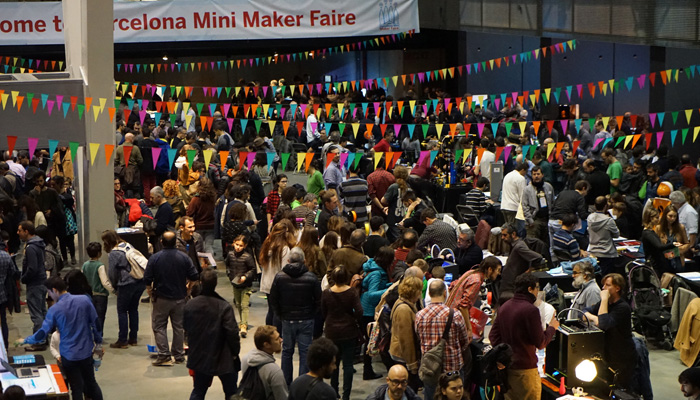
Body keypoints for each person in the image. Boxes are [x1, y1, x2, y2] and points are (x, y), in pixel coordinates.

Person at [17, 276, 104, 400]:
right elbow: (96, 323)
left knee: (76, 388)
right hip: (86, 352)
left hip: (69, 355)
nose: (50, 296)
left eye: (49, 293)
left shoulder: (54, 309)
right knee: (91, 383)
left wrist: (26, 340)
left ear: (54, 290)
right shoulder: (84, 300)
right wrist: (99, 343)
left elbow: (43, 332)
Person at [489, 273, 558, 400]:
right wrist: (552, 328)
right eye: (537, 288)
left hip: (508, 370)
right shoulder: (531, 310)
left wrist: (504, 356)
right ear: (530, 289)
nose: (538, 292)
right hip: (525, 372)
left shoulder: (505, 306)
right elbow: (541, 343)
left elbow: (493, 336)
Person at [183, 269, 240, 400]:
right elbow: (232, 332)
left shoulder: (190, 305)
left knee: (198, 391)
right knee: (231, 392)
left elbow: (186, 327)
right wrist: (235, 353)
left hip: (200, 355)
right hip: (223, 356)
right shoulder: (224, 306)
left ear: (201, 283)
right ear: (216, 283)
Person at [144, 231, 200, 366]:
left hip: (161, 298)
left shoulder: (155, 258)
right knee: (178, 327)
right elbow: (194, 276)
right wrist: (189, 288)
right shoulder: (184, 257)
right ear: (175, 242)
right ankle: (179, 355)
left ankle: (164, 355)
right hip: (180, 297)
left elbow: (147, 279)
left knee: (159, 326)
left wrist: (150, 291)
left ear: (161, 242)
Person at [268, 247, 322, 385]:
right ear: (304, 261)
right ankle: (302, 385)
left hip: (287, 319)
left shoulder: (280, 277)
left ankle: (286, 383)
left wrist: (280, 314)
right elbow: (318, 300)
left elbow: (273, 299)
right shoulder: (311, 278)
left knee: (287, 352)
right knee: (305, 352)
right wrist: (311, 314)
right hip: (306, 319)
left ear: (288, 260)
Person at [415, 280, 470, 400]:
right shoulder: (455, 314)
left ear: (429, 293)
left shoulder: (419, 315)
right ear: (445, 293)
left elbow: (418, 338)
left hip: (430, 369)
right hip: (453, 368)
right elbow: (464, 341)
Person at [584, 273, 637, 390]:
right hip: (608, 354)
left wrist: (603, 300)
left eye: (607, 285)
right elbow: (583, 313)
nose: (603, 289)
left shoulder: (622, 308)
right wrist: (594, 317)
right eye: (603, 285)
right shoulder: (607, 304)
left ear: (617, 288)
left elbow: (603, 324)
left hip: (622, 357)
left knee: (620, 389)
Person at [321, 266, 363, 400]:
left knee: (334, 363)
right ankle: (346, 395)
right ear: (346, 278)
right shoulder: (351, 292)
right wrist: (352, 318)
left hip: (332, 332)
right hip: (349, 331)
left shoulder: (326, 293)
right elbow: (359, 311)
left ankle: (334, 391)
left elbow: (323, 312)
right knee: (348, 365)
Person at [103, 230, 146, 349]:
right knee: (133, 309)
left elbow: (112, 273)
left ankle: (122, 340)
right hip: (140, 281)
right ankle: (133, 338)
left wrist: (115, 286)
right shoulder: (127, 245)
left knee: (122, 311)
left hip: (126, 284)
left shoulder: (114, 253)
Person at [361, 246, 393, 380]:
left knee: (369, 341)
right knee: (371, 342)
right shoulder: (376, 274)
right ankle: (368, 371)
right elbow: (372, 295)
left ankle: (367, 370)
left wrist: (390, 285)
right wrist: (389, 290)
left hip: (367, 309)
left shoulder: (374, 269)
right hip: (369, 311)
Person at [446, 256, 502, 330]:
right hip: (454, 320)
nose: (498, 273)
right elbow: (463, 307)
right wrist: (469, 328)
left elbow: (452, 285)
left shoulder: (471, 272)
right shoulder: (476, 281)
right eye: (498, 270)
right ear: (490, 269)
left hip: (448, 313)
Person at [389, 276, 423, 391]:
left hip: (401, 354)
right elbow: (406, 340)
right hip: (403, 356)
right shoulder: (404, 309)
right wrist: (412, 364)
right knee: (408, 390)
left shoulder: (402, 302)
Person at [259, 221, 296, 331]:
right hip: (278, 285)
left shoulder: (267, 244)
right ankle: (275, 335)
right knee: (277, 313)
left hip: (267, 283)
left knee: (271, 311)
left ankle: (268, 334)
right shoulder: (284, 249)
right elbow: (285, 270)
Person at [18, 221, 47, 351]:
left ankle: (39, 342)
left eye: (20, 230)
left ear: (26, 231)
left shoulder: (31, 248)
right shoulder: (39, 244)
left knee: (36, 315)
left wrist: (23, 278)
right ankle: (44, 337)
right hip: (41, 282)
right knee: (42, 311)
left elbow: (32, 268)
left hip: (34, 284)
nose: (18, 233)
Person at [498, 223, 544, 300]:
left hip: (513, 287)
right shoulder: (514, 245)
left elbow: (538, 257)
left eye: (505, 235)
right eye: (502, 235)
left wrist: (529, 271)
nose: (502, 238)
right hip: (509, 285)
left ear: (513, 234)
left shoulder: (519, 246)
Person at [241, 325, 288, 400]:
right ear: (266, 345)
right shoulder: (274, 371)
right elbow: (282, 397)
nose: (281, 340)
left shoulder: (246, 359)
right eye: (277, 339)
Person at [226, 234, 256, 338]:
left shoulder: (247, 256)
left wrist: (245, 277)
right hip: (235, 283)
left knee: (244, 305)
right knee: (238, 304)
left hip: (246, 285)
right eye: (237, 244)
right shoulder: (230, 255)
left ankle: (244, 324)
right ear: (233, 243)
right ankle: (242, 322)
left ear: (245, 246)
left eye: (241, 245)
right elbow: (228, 265)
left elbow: (253, 269)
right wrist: (230, 276)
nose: (238, 247)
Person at [82, 242, 114, 337]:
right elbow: (104, 282)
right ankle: (98, 336)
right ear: (99, 253)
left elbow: (82, 279)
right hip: (100, 295)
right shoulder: (100, 265)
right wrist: (113, 290)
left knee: (89, 317)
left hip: (88, 295)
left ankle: (89, 336)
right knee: (99, 317)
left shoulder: (85, 265)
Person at [641, 208, 681, 276]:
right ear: (650, 218)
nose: (659, 219)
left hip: (659, 262)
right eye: (656, 217)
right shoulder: (648, 233)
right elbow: (659, 246)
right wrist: (672, 244)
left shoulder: (651, 231)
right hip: (654, 265)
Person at [587, 196, 620, 275]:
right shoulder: (609, 220)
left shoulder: (589, 218)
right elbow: (616, 235)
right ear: (606, 206)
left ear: (594, 206)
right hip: (607, 253)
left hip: (593, 251)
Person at [185, 177, 217, 256]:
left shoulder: (195, 199)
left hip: (198, 226)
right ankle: (211, 262)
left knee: (198, 246)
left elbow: (189, 213)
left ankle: (199, 264)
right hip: (211, 226)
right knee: (209, 246)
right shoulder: (213, 198)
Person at [522, 166, 554, 245]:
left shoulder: (548, 187)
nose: (536, 176)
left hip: (547, 220)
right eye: (534, 174)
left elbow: (553, 202)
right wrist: (530, 220)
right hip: (534, 221)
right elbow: (524, 206)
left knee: (546, 244)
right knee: (533, 244)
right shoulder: (527, 189)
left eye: (538, 174)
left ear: (542, 175)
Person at [656, 204, 690, 272]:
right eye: (670, 216)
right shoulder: (659, 228)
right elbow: (656, 245)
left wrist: (677, 252)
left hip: (678, 259)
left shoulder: (681, 228)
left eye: (675, 216)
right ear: (665, 215)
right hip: (663, 260)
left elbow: (687, 244)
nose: (672, 219)